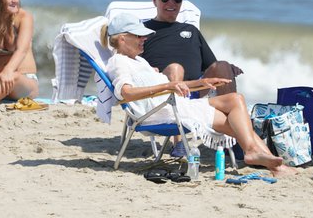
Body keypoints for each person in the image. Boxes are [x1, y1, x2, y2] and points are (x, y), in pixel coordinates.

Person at [101, 13, 295, 177]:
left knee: (237, 100)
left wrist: (201, 83)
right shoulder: (119, 62)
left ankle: (258, 155)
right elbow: (125, 94)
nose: (144, 38)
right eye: (138, 35)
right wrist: (166, 85)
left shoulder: (139, 62)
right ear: (123, 39)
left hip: (174, 105)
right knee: (235, 122)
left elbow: (173, 86)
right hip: (162, 113)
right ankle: (273, 165)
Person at [141, 0, 242, 96]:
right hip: (163, 92)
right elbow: (130, 63)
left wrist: (227, 69)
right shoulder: (142, 30)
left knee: (223, 66)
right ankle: (178, 108)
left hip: (196, 90)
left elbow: (212, 66)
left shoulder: (191, 30)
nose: (171, 3)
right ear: (154, 0)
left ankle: (230, 108)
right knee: (175, 69)